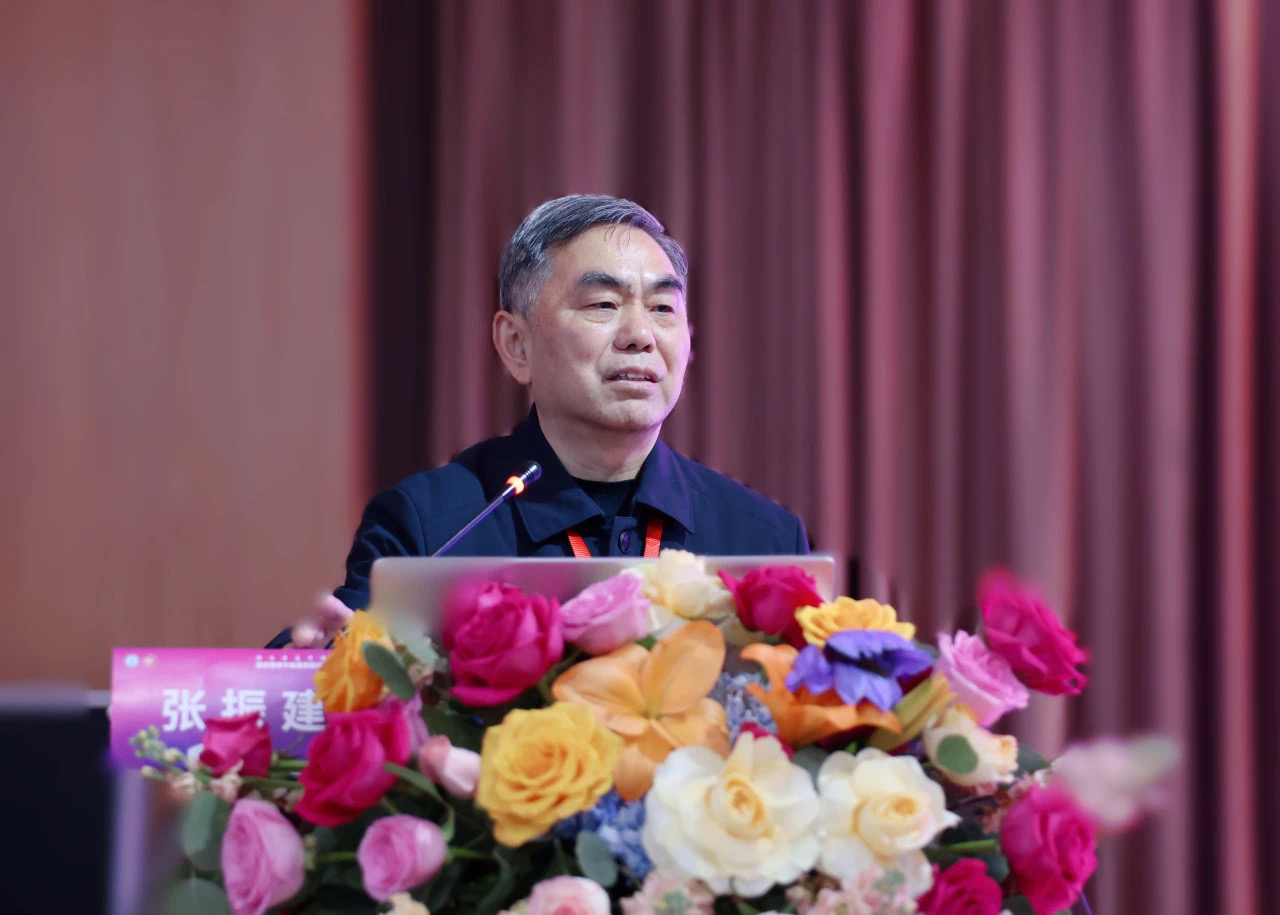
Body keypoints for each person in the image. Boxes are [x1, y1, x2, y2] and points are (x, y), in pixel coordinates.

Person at [269, 195, 809, 646]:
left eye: (663, 308)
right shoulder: (433, 527)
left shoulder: (764, 541)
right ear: (516, 344)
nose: (640, 335)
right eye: (603, 304)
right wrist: (308, 660)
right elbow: (331, 654)